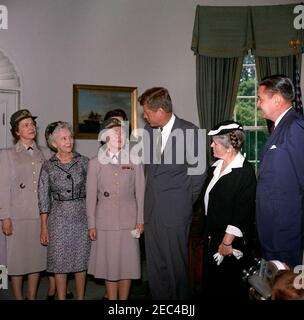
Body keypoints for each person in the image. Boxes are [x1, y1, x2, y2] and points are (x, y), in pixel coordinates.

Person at [138, 87, 205, 299]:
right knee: (156, 270)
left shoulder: (191, 132)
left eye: (146, 112)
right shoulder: (148, 131)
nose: (144, 116)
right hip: (151, 213)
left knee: (177, 269)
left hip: (175, 213)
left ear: (160, 110)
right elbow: (150, 172)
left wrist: (182, 201)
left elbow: (198, 177)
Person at [86, 117, 145, 300]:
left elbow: (141, 192)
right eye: (114, 132)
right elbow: (90, 196)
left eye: (121, 132)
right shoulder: (95, 162)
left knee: (127, 265)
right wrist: (91, 224)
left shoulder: (135, 160)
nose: (119, 135)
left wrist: (140, 220)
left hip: (129, 221)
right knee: (110, 265)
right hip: (105, 221)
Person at [200, 120, 256, 300]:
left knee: (228, 290)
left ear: (229, 147)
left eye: (215, 142)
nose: (211, 145)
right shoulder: (215, 167)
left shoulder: (244, 172)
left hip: (228, 245)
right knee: (211, 289)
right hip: (211, 240)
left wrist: (226, 243)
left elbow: (242, 211)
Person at [0, 109, 51, 300]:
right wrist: (5, 217)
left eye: (32, 123)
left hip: (40, 215)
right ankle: (18, 297)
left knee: (36, 260)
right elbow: (3, 188)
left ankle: (31, 296)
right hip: (17, 215)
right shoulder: (7, 154)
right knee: (17, 262)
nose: (31, 127)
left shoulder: (45, 153)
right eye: (26, 125)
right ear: (16, 132)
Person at [38, 121, 91, 300]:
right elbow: (43, 198)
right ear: (54, 143)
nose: (68, 141)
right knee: (59, 262)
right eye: (63, 138)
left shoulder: (84, 162)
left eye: (70, 137)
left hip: (82, 216)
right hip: (58, 218)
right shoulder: (47, 166)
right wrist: (44, 226)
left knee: (81, 260)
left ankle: (81, 297)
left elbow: (93, 192)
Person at [256, 75, 304, 268]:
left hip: (285, 231)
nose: (258, 104)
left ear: (276, 99)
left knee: (285, 288)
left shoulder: (295, 126)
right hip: (272, 229)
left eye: (260, 98)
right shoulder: (280, 127)